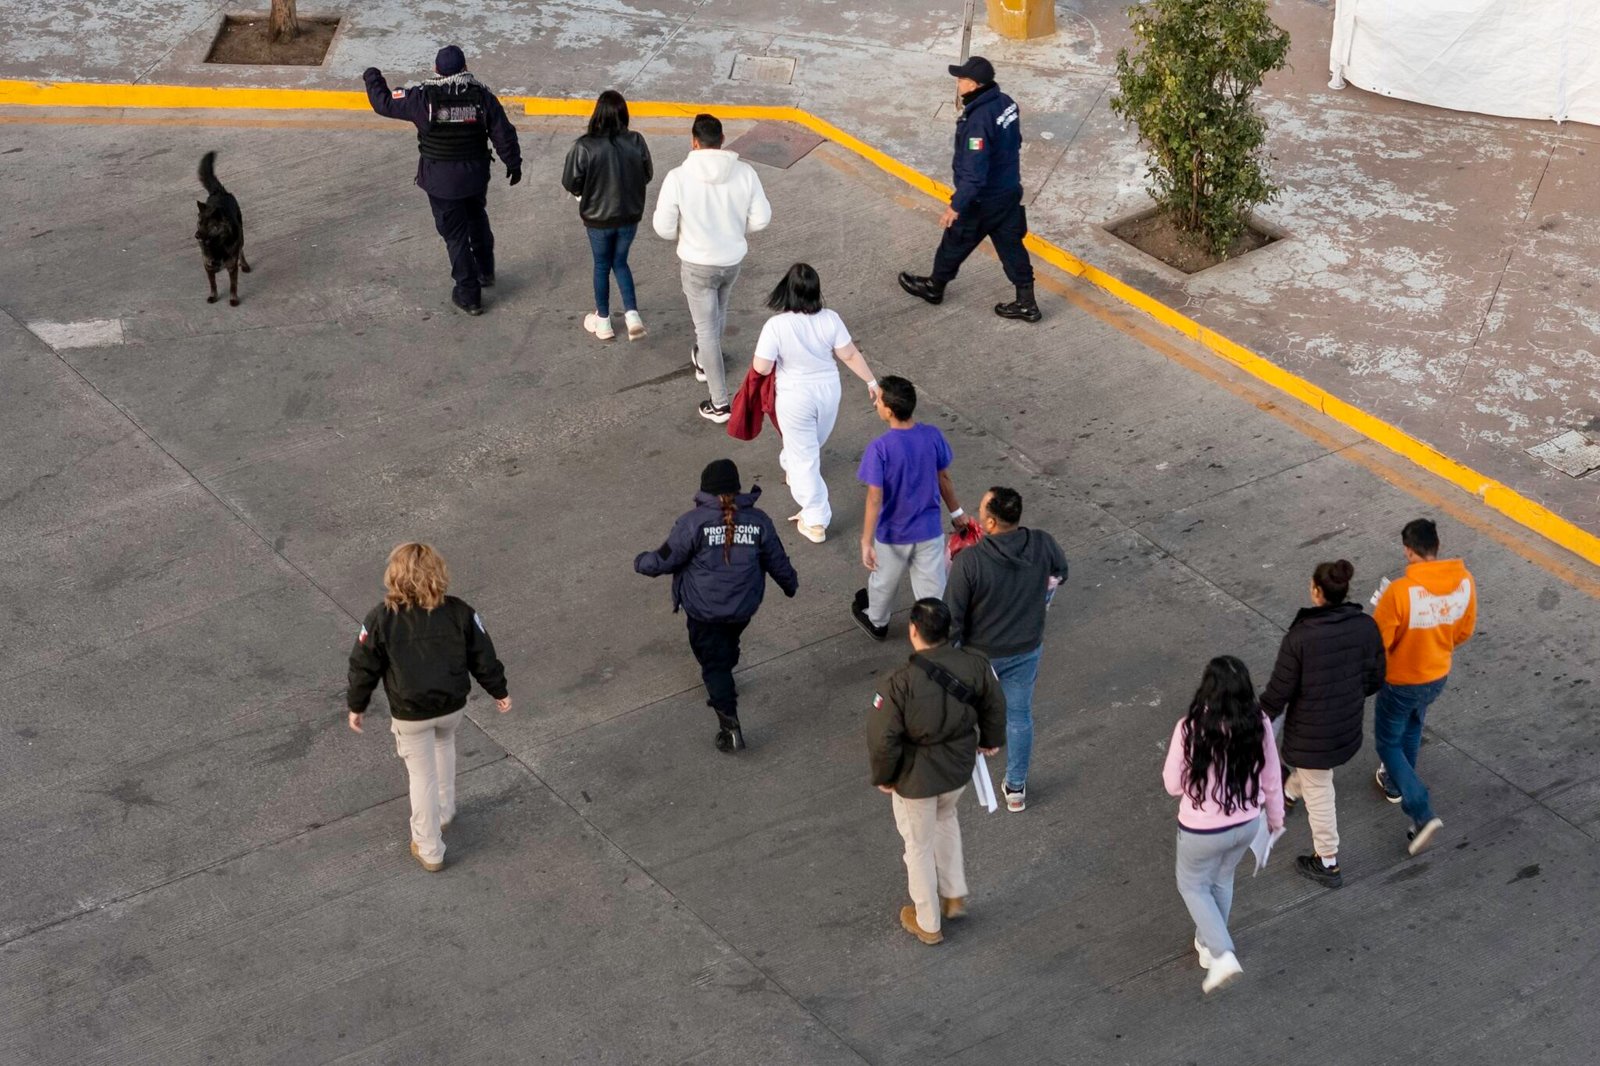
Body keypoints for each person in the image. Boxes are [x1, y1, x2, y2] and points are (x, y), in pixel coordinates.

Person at [347, 543, 512, 872]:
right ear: (438, 573)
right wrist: (499, 691)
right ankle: (444, 809)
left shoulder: (380, 619)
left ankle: (429, 846)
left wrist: (357, 705)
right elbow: (484, 655)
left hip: (410, 712)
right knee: (444, 745)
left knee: (420, 776)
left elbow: (363, 666)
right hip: (451, 706)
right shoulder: (460, 612)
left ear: (394, 576)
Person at [867, 598, 1006, 945]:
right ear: (947, 631)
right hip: (958, 766)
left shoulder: (899, 684)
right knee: (947, 820)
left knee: (917, 845)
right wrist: (990, 739)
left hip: (917, 778)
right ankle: (953, 894)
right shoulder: (975, 664)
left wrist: (885, 777)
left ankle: (928, 921)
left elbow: (883, 738)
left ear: (913, 631)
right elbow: (994, 702)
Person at [634, 459, 798, 751]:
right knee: (728, 641)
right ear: (737, 487)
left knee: (712, 664)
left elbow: (665, 558)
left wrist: (641, 563)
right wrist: (790, 585)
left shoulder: (692, 523)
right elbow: (777, 559)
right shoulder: (759, 521)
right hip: (743, 607)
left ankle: (729, 724)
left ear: (705, 489)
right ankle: (727, 664)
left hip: (703, 610)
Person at [363, 47, 522, 316]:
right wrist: (513, 163)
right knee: (477, 218)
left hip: (441, 184)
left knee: (456, 236)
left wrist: (372, 77)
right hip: (475, 178)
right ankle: (485, 271)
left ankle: (469, 294)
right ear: (465, 68)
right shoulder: (481, 97)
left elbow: (384, 104)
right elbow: (503, 132)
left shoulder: (422, 99)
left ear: (436, 70)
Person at [1257, 560, 1385, 888]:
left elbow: (1279, 692)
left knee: (1319, 789)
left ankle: (1327, 861)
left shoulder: (1300, 637)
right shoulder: (1365, 627)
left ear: (1316, 591)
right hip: (1345, 726)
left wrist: (1256, 716)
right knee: (1316, 774)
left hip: (1312, 733)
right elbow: (1375, 678)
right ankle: (1287, 793)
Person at [1163, 656, 1285, 993]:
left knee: (1192, 885)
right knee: (1222, 879)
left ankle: (1221, 952)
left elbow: (1172, 784)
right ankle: (1207, 942)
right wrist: (1275, 819)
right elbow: (1272, 777)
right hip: (1246, 823)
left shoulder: (1190, 728)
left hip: (1200, 829)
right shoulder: (1258, 722)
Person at [944, 486, 1068, 813]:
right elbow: (1060, 574)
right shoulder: (1042, 543)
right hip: (1025, 648)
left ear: (991, 522)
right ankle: (1015, 789)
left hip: (980, 656)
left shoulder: (969, 562)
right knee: (1019, 715)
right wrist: (1040, 603)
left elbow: (952, 618)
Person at [898, 56, 1040, 323]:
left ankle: (934, 288)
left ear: (974, 85)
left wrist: (956, 206)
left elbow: (975, 174)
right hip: (1009, 192)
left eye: (961, 79)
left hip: (982, 201)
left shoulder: (978, 122)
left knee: (954, 242)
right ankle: (1027, 303)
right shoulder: (1006, 103)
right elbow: (1015, 140)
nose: (958, 83)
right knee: (1011, 246)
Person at [652, 113, 773, 423]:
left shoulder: (678, 177)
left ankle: (719, 403)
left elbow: (663, 228)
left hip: (696, 264)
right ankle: (705, 360)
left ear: (694, 142)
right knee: (718, 313)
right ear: (722, 140)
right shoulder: (744, 173)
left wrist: (686, 232)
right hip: (730, 261)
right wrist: (734, 229)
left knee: (706, 330)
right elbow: (761, 219)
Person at [750, 263, 879, 545]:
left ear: (787, 291)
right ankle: (791, 464)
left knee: (805, 457)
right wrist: (872, 382)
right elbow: (849, 354)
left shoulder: (776, 326)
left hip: (795, 395)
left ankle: (816, 518)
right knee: (811, 443)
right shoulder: (830, 319)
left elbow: (761, 367)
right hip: (829, 391)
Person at [1370, 519, 1477, 856]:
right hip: (1437, 675)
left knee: (1388, 743)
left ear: (1408, 550)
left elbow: (1379, 643)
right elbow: (1464, 632)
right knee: (1413, 727)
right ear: (1437, 546)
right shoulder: (1465, 582)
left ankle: (1421, 810)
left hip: (1401, 680)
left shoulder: (1400, 592)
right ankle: (1398, 780)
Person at [851, 376, 972, 641]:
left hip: (892, 534)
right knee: (932, 587)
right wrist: (957, 513)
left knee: (883, 582)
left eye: (879, 399)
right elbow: (944, 478)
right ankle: (936, 635)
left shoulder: (880, 449)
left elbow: (874, 497)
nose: (876, 403)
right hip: (928, 531)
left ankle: (877, 622)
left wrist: (865, 540)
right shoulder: (932, 436)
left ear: (890, 411)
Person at [562, 90, 653, 342]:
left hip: (597, 219)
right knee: (620, 262)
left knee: (602, 265)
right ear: (624, 114)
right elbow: (647, 174)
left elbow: (570, 180)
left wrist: (585, 194)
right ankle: (632, 314)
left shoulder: (584, 146)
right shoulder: (636, 141)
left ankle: (603, 321)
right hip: (629, 216)